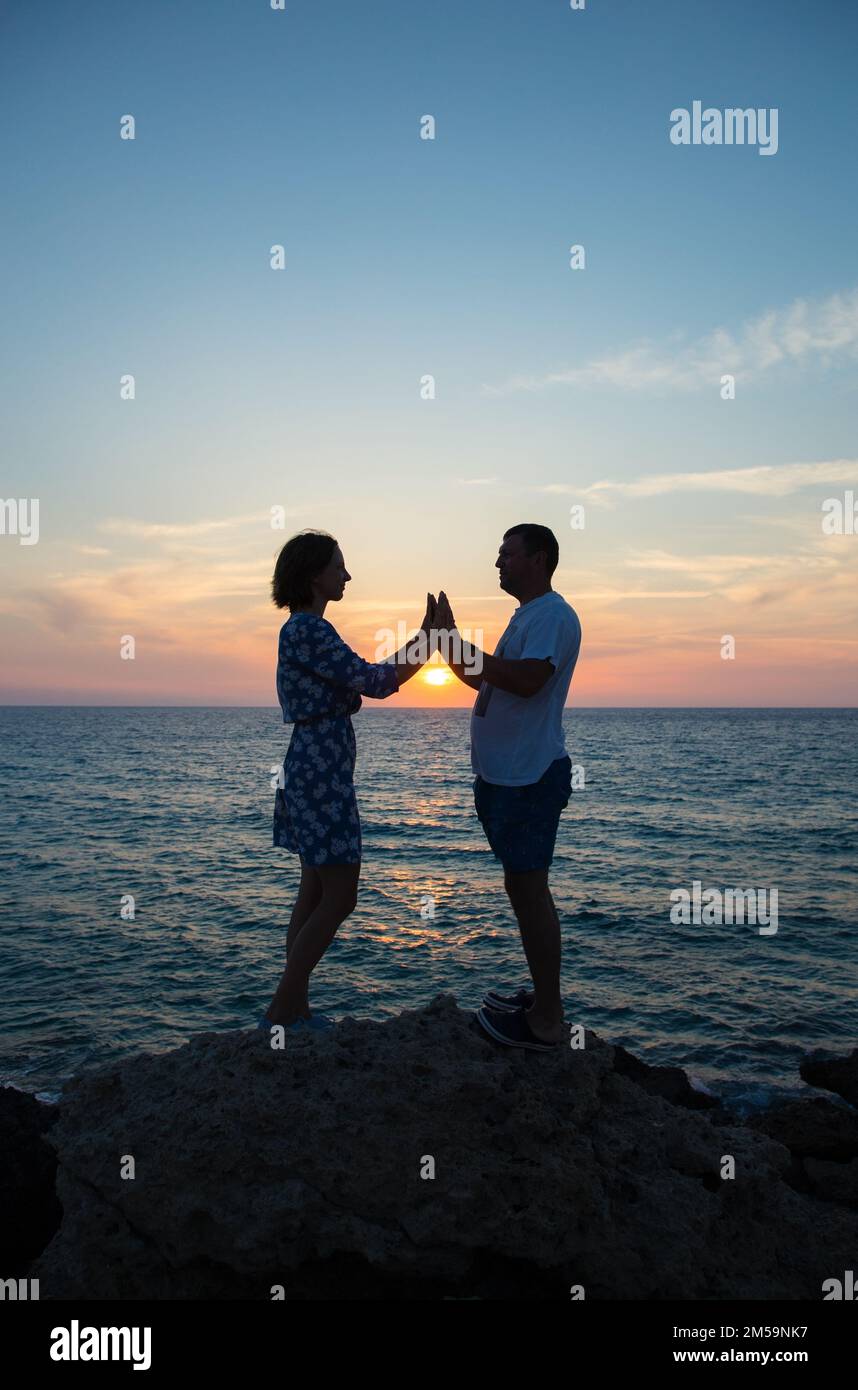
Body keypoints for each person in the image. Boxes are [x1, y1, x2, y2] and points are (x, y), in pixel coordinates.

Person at [261, 530, 435, 1032]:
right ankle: (282, 1008)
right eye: (339, 566)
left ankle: (294, 1010)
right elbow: (375, 682)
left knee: (314, 890)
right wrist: (428, 641)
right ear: (314, 573)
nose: (347, 575)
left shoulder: (303, 629)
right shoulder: (309, 631)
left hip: (314, 765)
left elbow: (357, 682)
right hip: (320, 771)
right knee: (340, 895)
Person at [435, 523, 582, 1050]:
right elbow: (484, 679)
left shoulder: (553, 616)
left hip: (529, 776)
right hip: (508, 777)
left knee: (529, 889)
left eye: (507, 554)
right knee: (522, 888)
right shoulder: (528, 616)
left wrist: (455, 641)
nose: (498, 562)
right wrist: (447, 644)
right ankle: (544, 1002)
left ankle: (546, 1020)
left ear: (538, 559)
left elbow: (525, 679)